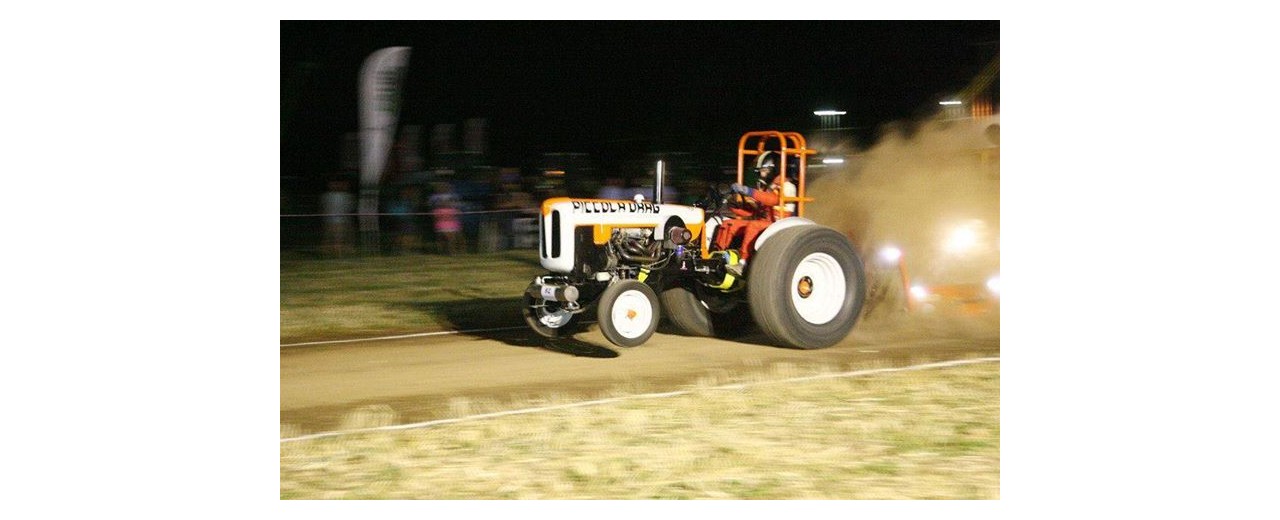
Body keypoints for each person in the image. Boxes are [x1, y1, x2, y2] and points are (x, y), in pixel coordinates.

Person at [729, 152, 797, 219]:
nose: (762, 175)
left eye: (764, 170)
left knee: (750, 227)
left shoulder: (787, 186)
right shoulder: (770, 185)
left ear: (773, 170)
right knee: (730, 224)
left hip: (780, 222)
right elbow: (759, 210)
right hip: (767, 220)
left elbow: (773, 200)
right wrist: (736, 205)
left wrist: (750, 191)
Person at [320, 178, 355, 257]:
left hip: (336, 220)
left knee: (334, 236)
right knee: (337, 237)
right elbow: (349, 208)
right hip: (337, 220)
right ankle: (338, 253)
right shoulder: (338, 196)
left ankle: (332, 251)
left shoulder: (329, 196)